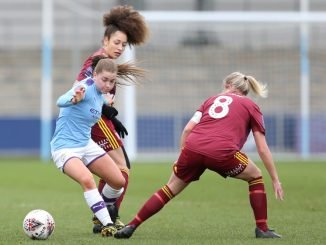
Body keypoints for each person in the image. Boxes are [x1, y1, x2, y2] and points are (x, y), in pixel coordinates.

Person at [114, 71, 284, 239]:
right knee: (256, 176)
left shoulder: (210, 100)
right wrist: (275, 179)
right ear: (246, 92)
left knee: (169, 188)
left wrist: (182, 156)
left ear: (227, 86)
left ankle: (132, 225)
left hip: (192, 148)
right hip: (222, 152)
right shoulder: (251, 106)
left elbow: (188, 129)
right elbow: (262, 148)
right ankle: (262, 228)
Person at [51, 58, 145, 237]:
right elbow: (60, 101)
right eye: (104, 80)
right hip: (65, 148)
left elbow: (97, 106)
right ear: (94, 75)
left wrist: (109, 111)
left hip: (86, 145)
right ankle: (107, 222)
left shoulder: (100, 94)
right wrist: (73, 98)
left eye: (112, 81)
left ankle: (99, 212)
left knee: (118, 181)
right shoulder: (84, 87)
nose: (108, 84)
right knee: (87, 180)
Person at [75, 5, 149, 232]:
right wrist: (106, 113)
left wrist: (110, 114)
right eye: (116, 42)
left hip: (98, 119)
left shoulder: (105, 62)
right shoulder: (96, 62)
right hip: (96, 121)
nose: (120, 48)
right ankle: (105, 215)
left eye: (124, 45)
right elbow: (81, 88)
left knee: (115, 169)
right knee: (121, 169)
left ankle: (103, 215)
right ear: (105, 40)